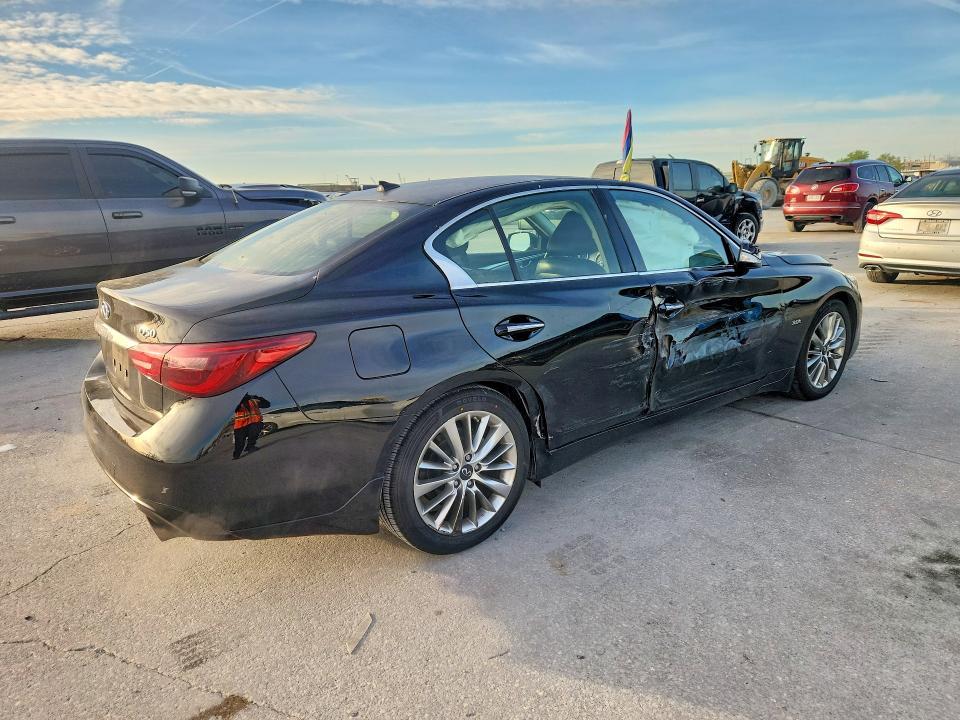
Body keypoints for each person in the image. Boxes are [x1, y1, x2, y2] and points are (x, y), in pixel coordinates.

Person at [233, 394, 270, 459]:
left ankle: (250, 447)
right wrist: (241, 400)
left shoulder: (253, 401)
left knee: (256, 430)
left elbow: (267, 404)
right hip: (240, 426)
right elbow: (235, 409)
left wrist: (258, 397)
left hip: (254, 423)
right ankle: (236, 455)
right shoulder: (236, 402)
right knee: (239, 442)